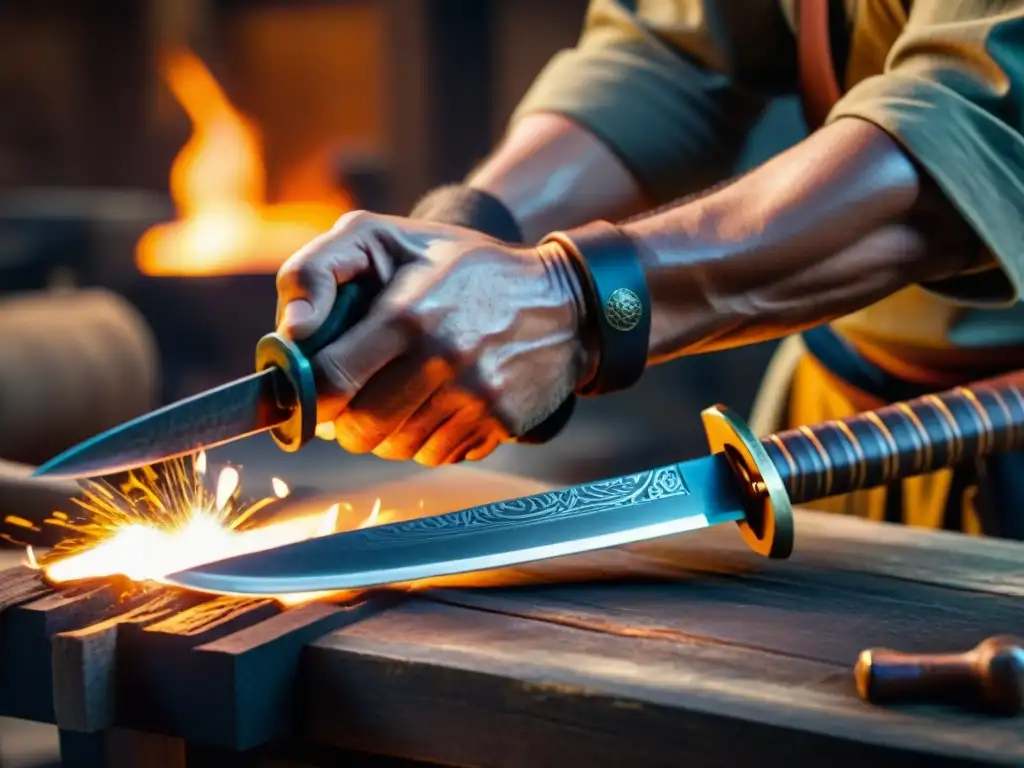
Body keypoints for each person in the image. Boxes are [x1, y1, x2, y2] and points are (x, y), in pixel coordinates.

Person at [278, 0, 1024, 538]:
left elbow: (968, 131)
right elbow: (670, 52)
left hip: (1001, 437)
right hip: (826, 438)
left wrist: (579, 302)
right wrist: (466, 236)